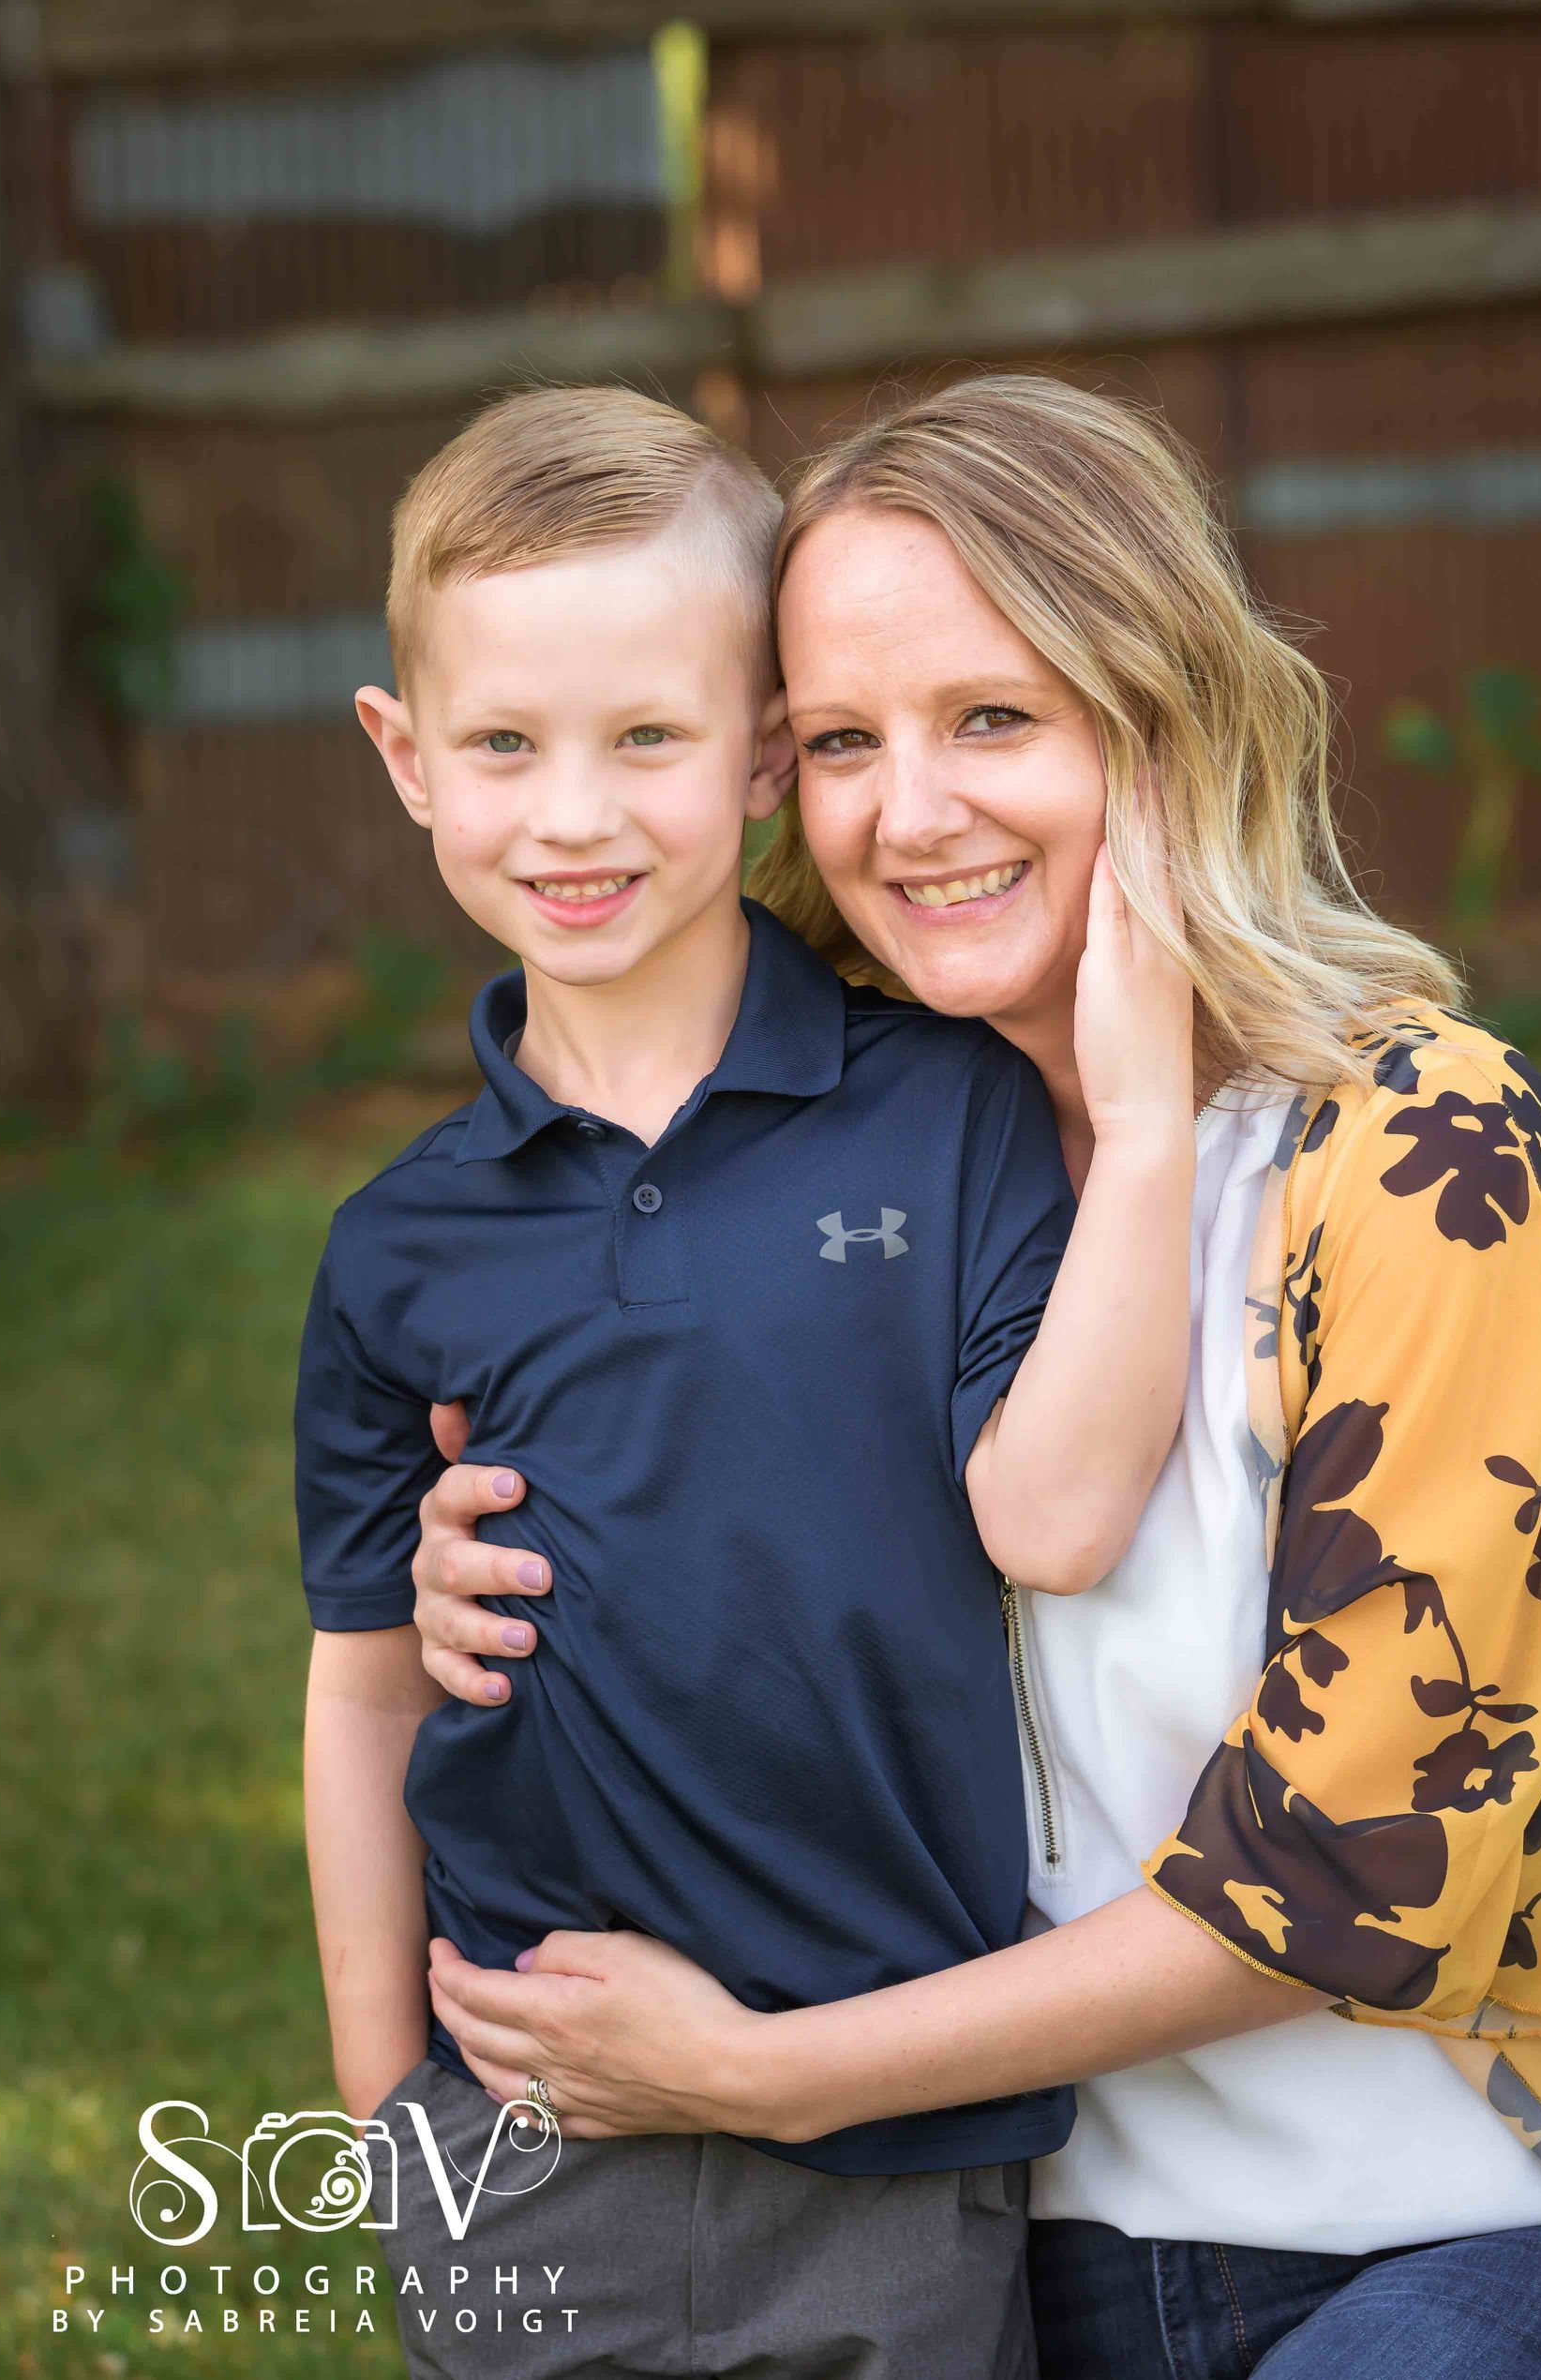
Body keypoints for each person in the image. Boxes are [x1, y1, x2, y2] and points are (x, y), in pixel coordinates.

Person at [409, 373, 1541, 2380]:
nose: (913, 812)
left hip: (1516, 2222)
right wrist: (502, 1571)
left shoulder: (1426, 1159)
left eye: (993, 720)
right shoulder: (825, 1208)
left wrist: (776, 2073)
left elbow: (1354, 1872)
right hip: (1009, 2256)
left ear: (1161, 717)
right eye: (849, 741)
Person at [294, 380, 1205, 2380]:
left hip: (890, 2130)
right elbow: (363, 1687)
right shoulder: (398, 1248)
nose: (576, 813)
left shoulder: (944, 1115)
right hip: (534, 2133)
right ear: (407, 758)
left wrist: (1142, 1135)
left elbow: (1049, 1515)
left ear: (768, 758)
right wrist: (395, 2127)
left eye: (649, 739)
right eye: (506, 745)